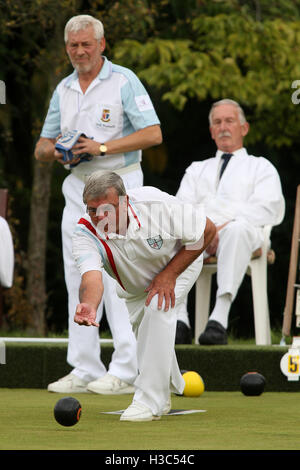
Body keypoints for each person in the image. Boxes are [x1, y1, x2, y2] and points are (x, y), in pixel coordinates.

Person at [34, 14, 162, 394]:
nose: (80, 51)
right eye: (73, 46)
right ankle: (85, 366)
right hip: (77, 189)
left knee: (116, 273)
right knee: (78, 272)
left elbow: (153, 134)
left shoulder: (124, 80)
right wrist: (60, 152)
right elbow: (42, 145)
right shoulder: (64, 88)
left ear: (102, 44)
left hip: (119, 187)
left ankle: (125, 369)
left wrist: (101, 147)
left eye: (86, 44)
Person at [72, 171, 216, 421]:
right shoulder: (84, 233)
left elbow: (207, 230)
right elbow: (91, 277)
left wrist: (169, 275)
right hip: (135, 289)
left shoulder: (156, 205)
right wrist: (88, 304)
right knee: (146, 332)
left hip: (179, 265)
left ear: (125, 202)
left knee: (159, 306)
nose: (99, 217)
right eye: (92, 210)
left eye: (106, 208)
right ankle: (172, 383)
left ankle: (149, 401)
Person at [175, 99, 285, 345]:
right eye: (217, 122)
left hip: (243, 234)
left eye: (229, 121)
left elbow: (269, 207)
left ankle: (218, 320)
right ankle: (180, 321)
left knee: (236, 230)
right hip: (197, 237)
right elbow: (180, 209)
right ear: (212, 131)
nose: (223, 127)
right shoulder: (196, 169)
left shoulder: (260, 167)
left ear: (243, 128)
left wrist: (218, 230)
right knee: (169, 235)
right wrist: (204, 231)